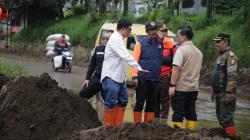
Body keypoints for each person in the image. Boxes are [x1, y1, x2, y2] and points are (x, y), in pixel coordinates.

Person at [101, 19, 149, 126]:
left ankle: (118, 126)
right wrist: (138, 68)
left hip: (119, 77)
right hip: (111, 76)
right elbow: (126, 56)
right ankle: (109, 127)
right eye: (129, 29)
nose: (130, 31)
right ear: (122, 29)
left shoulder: (120, 39)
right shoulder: (115, 39)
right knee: (111, 102)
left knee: (123, 100)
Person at [169, 26, 203, 131]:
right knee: (191, 112)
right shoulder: (199, 52)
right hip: (193, 88)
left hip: (181, 88)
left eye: (178, 36)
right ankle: (191, 134)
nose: (176, 38)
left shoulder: (181, 50)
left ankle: (176, 135)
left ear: (184, 37)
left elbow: (176, 69)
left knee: (178, 113)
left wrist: (172, 85)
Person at [132, 21, 163, 123]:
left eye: (155, 29)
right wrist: (135, 77)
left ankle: (147, 126)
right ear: (147, 32)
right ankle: (137, 125)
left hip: (155, 79)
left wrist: (163, 35)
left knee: (151, 105)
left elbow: (173, 44)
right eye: (152, 30)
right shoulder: (140, 43)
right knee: (140, 103)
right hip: (143, 79)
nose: (154, 32)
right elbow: (134, 61)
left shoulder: (160, 43)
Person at [211, 33, 238, 137]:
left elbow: (232, 76)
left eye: (218, 42)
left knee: (226, 119)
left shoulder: (231, 56)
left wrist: (229, 92)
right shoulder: (221, 56)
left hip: (226, 93)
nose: (216, 44)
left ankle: (231, 137)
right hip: (219, 92)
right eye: (216, 42)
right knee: (220, 117)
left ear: (226, 42)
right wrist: (213, 90)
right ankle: (226, 136)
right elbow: (216, 74)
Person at [79, 31, 112, 100]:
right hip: (96, 78)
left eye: (107, 39)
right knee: (82, 94)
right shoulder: (97, 49)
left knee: (109, 101)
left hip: (108, 80)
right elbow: (92, 65)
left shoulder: (115, 51)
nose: (105, 40)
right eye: (103, 38)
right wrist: (87, 78)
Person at [154, 24, 175, 119]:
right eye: (161, 31)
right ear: (157, 31)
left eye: (165, 31)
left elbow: (175, 62)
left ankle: (163, 121)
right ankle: (154, 120)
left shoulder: (171, 44)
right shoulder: (152, 42)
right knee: (154, 98)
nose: (163, 33)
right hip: (154, 75)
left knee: (165, 99)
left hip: (165, 75)